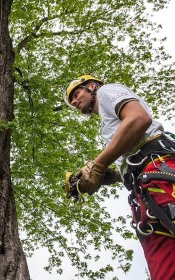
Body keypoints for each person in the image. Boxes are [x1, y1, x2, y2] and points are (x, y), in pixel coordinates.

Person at [64, 75, 175, 280]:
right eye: (71, 101)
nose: (73, 102)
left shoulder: (107, 91)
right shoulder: (107, 124)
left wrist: (98, 165)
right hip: (145, 186)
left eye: (76, 94)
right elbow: (134, 155)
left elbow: (139, 119)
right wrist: (112, 176)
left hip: (158, 174)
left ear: (92, 86)